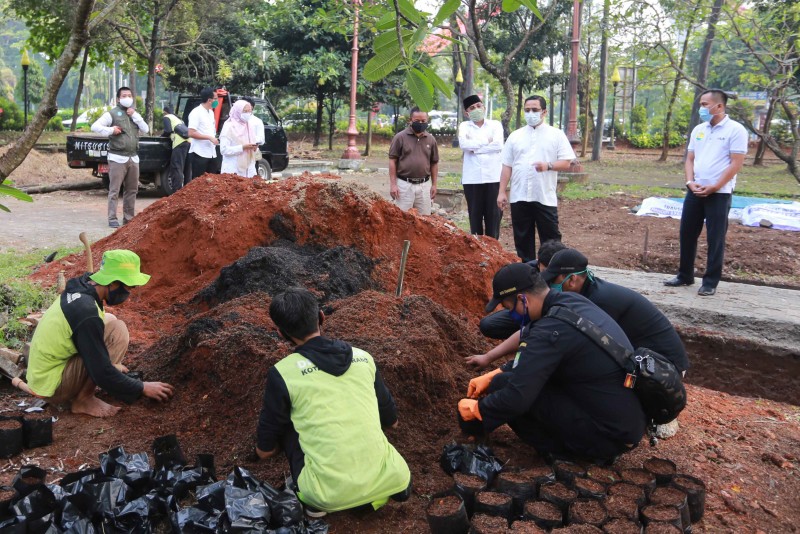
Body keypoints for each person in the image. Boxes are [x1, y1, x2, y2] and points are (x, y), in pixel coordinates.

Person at [458, 263, 645, 464]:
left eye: (508, 308)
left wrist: (479, 412)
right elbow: (535, 359)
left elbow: (517, 397)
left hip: (608, 436)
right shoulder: (569, 302)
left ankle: (567, 453)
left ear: (523, 300)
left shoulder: (550, 331)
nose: (511, 315)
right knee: (502, 380)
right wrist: (496, 371)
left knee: (508, 389)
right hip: (623, 421)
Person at [255, 288, 411, 516]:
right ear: (321, 317)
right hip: (394, 479)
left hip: (324, 495)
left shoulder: (283, 373)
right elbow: (391, 419)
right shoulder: (363, 357)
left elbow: (268, 437)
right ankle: (378, 490)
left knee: (289, 424)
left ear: (281, 333)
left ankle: (314, 504)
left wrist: (263, 452)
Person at [471, 248, 689, 373]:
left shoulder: (599, 303)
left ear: (572, 280)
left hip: (662, 365)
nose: (547, 288)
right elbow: (532, 329)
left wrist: (511, 371)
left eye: (553, 282)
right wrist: (489, 357)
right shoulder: (579, 296)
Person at [23, 250, 174, 418]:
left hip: (43, 371)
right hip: (51, 385)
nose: (128, 294)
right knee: (108, 348)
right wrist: (142, 387)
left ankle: (88, 384)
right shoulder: (86, 313)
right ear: (113, 283)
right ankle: (83, 400)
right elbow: (102, 373)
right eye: (128, 287)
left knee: (114, 324)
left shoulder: (83, 284)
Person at [665, 89, 748, 296]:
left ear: (719, 106)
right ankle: (685, 275)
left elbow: (736, 163)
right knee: (687, 233)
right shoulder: (699, 130)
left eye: (704, 104)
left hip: (719, 193)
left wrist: (716, 185)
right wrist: (690, 182)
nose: (701, 109)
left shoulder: (735, 130)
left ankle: (710, 281)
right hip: (695, 190)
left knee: (715, 237)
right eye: (700, 104)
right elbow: (690, 159)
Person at [497, 96, 576, 262]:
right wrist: (502, 191)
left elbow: (567, 162)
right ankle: (529, 276)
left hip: (544, 196)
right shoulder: (515, 136)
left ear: (544, 112)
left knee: (551, 241)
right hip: (519, 196)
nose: (530, 113)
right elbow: (507, 165)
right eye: (527, 110)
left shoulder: (556, 135)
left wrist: (548, 166)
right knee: (522, 240)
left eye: (535, 110)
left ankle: (553, 276)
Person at [477, 239, 566, 340]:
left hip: (559, 319)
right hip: (531, 311)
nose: (551, 275)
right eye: (546, 270)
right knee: (489, 324)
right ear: (538, 263)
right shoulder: (527, 273)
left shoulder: (574, 278)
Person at [91, 87, 149, 228]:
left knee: (132, 190)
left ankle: (129, 219)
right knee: (115, 190)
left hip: (133, 158)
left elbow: (146, 129)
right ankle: (112, 218)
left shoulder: (134, 114)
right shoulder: (112, 114)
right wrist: (112, 130)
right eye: (124, 95)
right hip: (117, 158)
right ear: (118, 98)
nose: (127, 97)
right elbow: (95, 126)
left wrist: (135, 115)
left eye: (129, 95)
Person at [458, 94, 504, 238]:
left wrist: (475, 148)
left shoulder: (495, 125)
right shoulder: (464, 126)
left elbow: (498, 145)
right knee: (475, 217)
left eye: (478, 106)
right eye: (472, 108)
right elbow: (464, 145)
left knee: (494, 216)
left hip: (493, 177)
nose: (476, 109)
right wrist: (487, 141)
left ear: (483, 107)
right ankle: (477, 249)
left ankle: (493, 250)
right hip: (472, 179)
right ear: (467, 113)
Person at [388, 107, 439, 215]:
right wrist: (393, 185)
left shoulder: (431, 139)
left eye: (423, 121)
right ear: (410, 120)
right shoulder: (400, 138)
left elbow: (434, 163)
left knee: (425, 221)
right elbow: (392, 160)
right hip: (404, 185)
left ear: (427, 121)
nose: (420, 123)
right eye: (417, 121)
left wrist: (434, 184)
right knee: (401, 219)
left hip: (424, 186)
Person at [219, 99, 261, 178]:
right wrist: (242, 147)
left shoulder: (248, 126)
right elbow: (223, 150)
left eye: (250, 111)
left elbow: (253, 143)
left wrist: (254, 148)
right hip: (233, 170)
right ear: (238, 111)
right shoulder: (229, 126)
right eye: (245, 111)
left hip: (249, 170)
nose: (248, 114)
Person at [187, 87, 220, 182]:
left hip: (211, 152)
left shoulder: (211, 112)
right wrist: (209, 138)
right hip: (199, 153)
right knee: (198, 182)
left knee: (211, 182)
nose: (217, 101)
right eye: (216, 99)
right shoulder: (196, 112)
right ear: (209, 100)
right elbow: (191, 132)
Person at [162, 104, 190, 191]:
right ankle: (187, 190)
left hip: (179, 143)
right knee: (187, 169)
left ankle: (177, 191)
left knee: (176, 167)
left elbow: (168, 130)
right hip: (188, 142)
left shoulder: (167, 117)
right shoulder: (178, 119)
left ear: (165, 112)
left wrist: (161, 136)